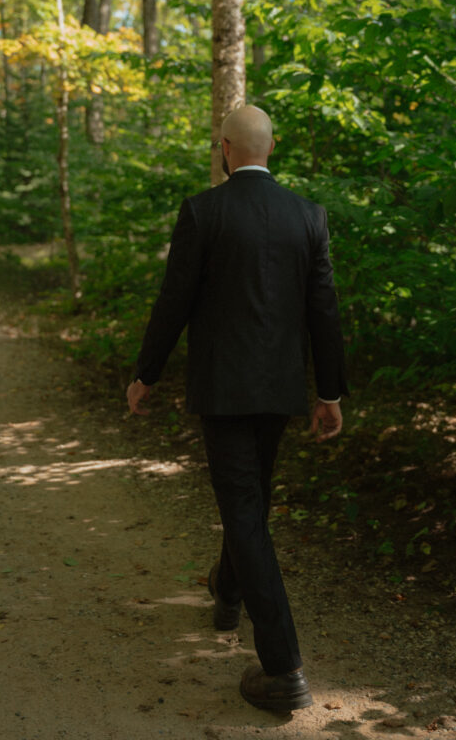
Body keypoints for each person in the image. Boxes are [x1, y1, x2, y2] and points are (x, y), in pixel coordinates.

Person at [126, 105, 347, 713]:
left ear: (225, 148)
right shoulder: (309, 216)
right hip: (278, 392)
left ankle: (283, 667)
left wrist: (147, 373)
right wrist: (328, 393)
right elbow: (323, 310)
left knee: (245, 509)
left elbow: (175, 298)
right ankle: (227, 590)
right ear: (271, 147)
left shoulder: (205, 211)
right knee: (249, 504)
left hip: (223, 391)